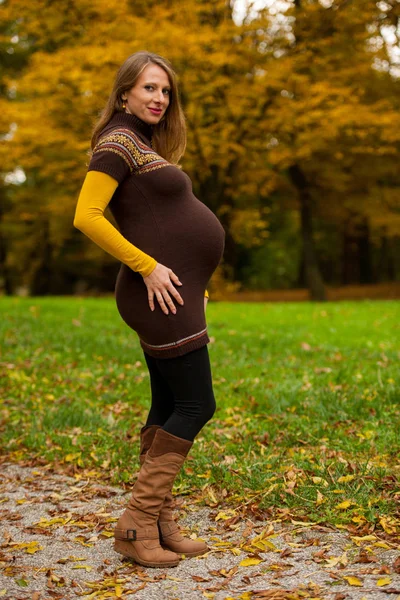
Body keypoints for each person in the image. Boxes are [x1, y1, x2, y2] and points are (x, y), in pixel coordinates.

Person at [73, 51, 225, 568]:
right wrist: (149, 267)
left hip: (174, 294)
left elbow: (162, 222)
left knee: (166, 406)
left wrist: (191, 275)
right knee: (196, 405)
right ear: (123, 95)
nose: (159, 98)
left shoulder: (139, 143)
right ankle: (136, 523)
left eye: (165, 91)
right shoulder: (117, 142)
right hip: (157, 293)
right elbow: (86, 216)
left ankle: (158, 522)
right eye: (148, 89)